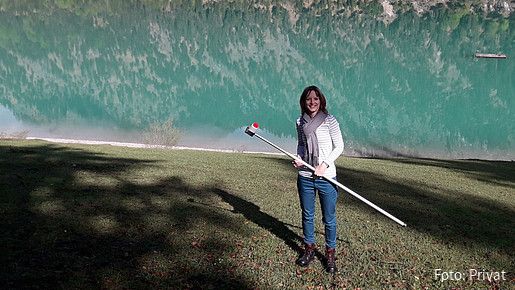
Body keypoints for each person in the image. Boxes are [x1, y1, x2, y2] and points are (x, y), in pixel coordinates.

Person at [292, 85, 344, 273]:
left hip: (326, 176)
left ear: (321, 100)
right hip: (305, 175)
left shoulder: (330, 120)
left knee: (328, 218)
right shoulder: (300, 122)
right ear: (303, 102)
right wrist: (299, 158)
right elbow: (301, 145)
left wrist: (325, 165)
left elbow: (339, 147)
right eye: (308, 99)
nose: (312, 102)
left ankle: (330, 253)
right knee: (307, 215)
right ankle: (309, 249)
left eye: (315, 98)